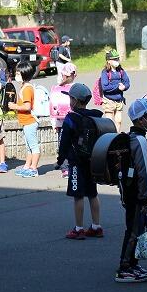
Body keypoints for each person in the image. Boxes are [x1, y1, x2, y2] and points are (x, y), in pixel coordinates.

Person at [115, 98, 147, 283]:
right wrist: (145, 198)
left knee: (136, 228)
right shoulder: (140, 141)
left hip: (130, 192)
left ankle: (133, 264)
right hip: (137, 194)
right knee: (134, 230)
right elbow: (144, 172)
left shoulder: (131, 138)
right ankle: (124, 267)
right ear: (141, 119)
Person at [57, 83, 105, 240]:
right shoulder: (95, 117)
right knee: (92, 193)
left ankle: (78, 229)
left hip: (76, 162)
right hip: (93, 161)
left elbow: (64, 142)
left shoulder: (71, 118)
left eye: (70, 98)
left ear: (75, 100)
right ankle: (96, 226)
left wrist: (60, 160)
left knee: (78, 195)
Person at [8, 61, 40, 177]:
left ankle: (33, 169)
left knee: (33, 147)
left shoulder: (27, 89)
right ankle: (27, 166)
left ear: (24, 74)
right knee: (28, 147)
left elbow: (27, 107)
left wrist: (14, 106)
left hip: (30, 121)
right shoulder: (25, 87)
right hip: (27, 122)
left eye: (18, 73)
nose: (16, 75)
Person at [100, 50, 130, 132]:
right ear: (109, 61)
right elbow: (105, 87)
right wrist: (117, 87)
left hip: (119, 100)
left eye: (118, 59)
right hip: (108, 100)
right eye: (114, 59)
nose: (117, 61)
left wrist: (124, 87)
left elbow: (127, 82)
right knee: (109, 122)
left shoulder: (121, 71)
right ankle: (109, 135)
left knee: (119, 121)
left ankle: (116, 135)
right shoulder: (105, 72)